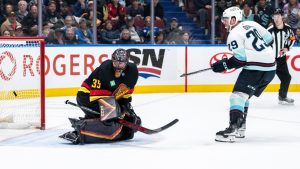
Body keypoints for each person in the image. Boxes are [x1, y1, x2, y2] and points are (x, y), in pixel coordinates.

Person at [211, 7, 275, 142]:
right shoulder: (252, 23)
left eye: (226, 19)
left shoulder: (233, 34)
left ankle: (232, 129)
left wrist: (222, 65)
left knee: (237, 96)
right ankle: (241, 128)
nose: (224, 22)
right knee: (244, 97)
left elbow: (239, 60)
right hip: (270, 68)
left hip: (256, 68)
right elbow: (269, 39)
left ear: (234, 19)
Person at [59, 48, 141, 144]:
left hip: (108, 98)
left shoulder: (132, 71)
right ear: (112, 60)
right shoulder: (105, 70)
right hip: (87, 97)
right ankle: (80, 131)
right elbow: (98, 97)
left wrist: (125, 106)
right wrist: (115, 111)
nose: (118, 66)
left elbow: (126, 91)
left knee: (129, 122)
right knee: (109, 122)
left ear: (126, 62)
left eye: (121, 63)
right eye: (115, 62)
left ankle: (91, 120)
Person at [267, 8, 296, 105]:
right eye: (275, 16)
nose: (276, 18)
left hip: (281, 59)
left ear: (282, 17)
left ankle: (282, 96)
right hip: (270, 60)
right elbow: (263, 43)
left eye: (278, 16)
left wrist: (287, 48)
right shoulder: (269, 31)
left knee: (286, 78)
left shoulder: (288, 28)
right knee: (262, 79)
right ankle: (246, 95)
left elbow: (292, 38)